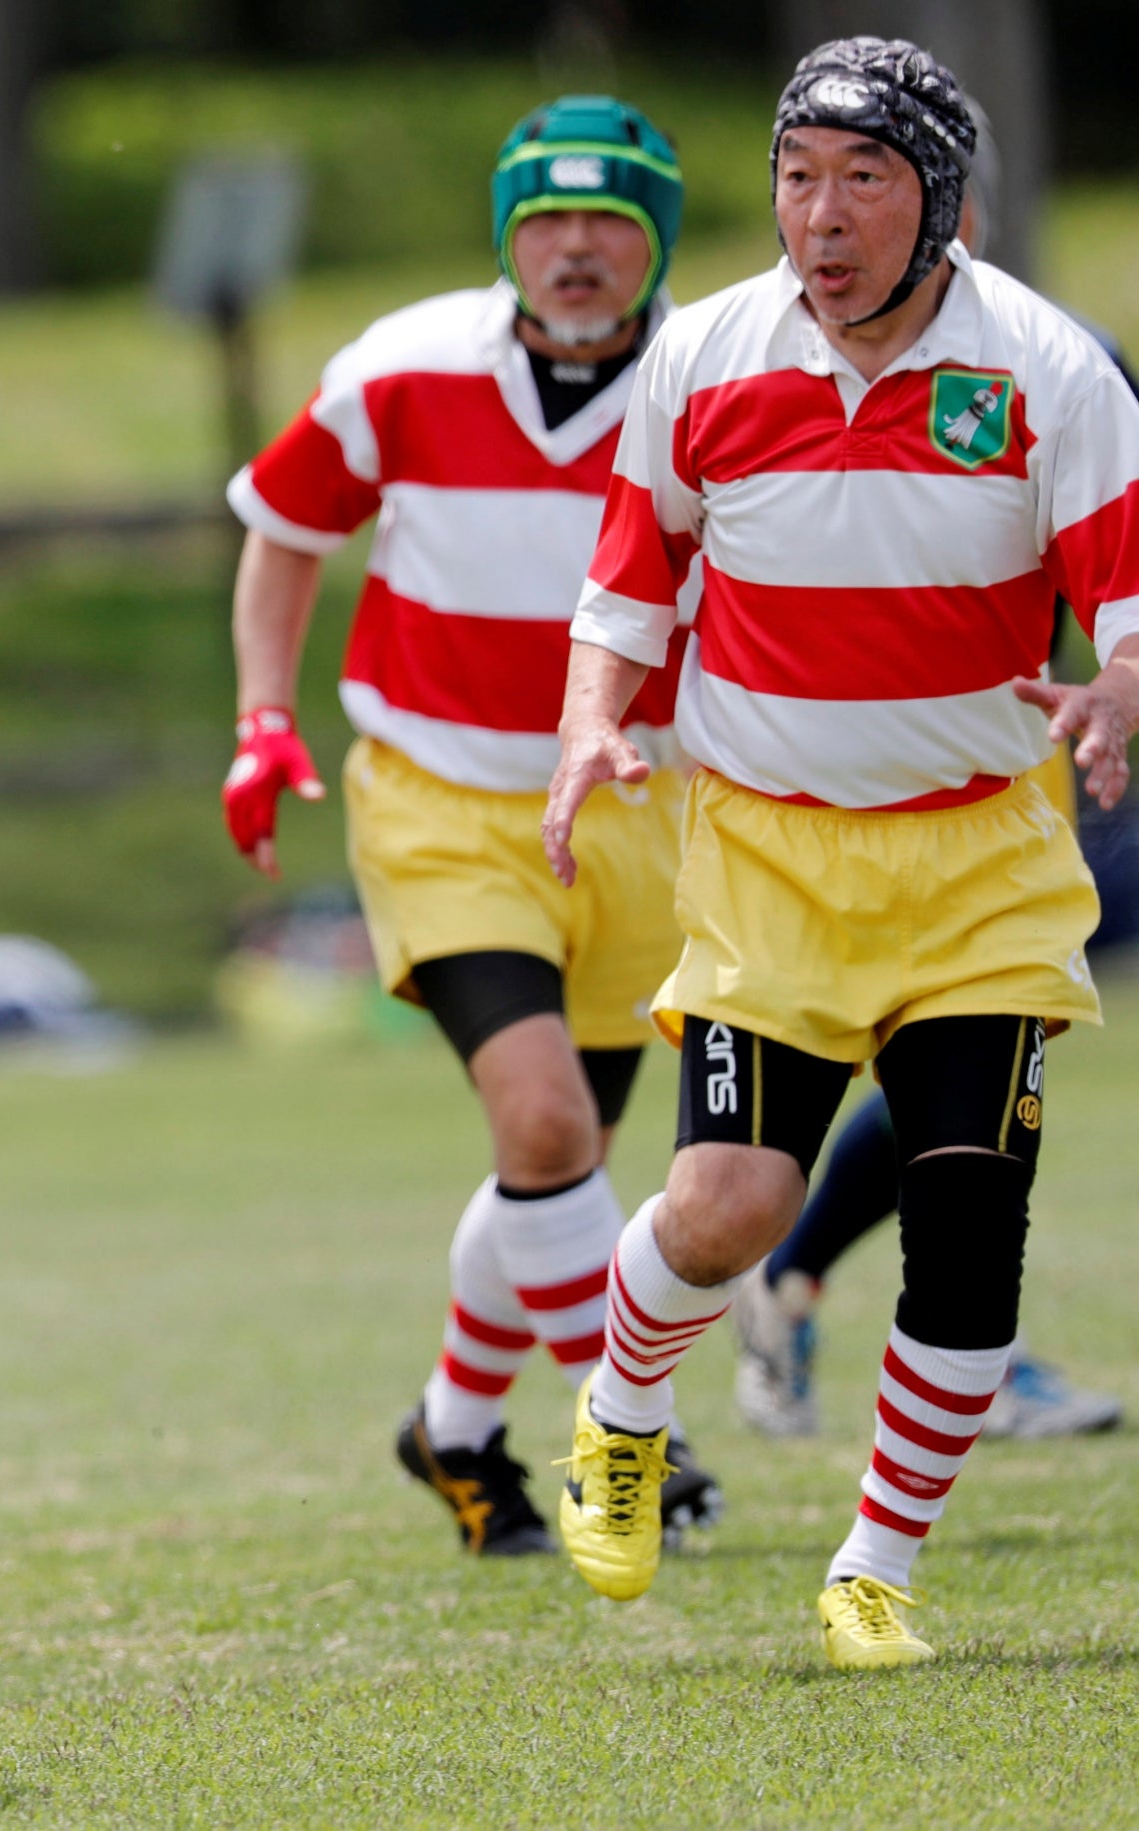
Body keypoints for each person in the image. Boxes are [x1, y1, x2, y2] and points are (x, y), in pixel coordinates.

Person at [544, 37, 1139, 1667]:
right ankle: (622, 1401)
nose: (823, 214)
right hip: (770, 855)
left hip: (981, 863)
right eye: (798, 177)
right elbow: (629, 580)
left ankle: (876, 1565)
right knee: (729, 1205)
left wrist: (1118, 692)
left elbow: (1131, 601)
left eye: (864, 178)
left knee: (965, 1221)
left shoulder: (1048, 370)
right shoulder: (706, 358)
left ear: (942, 202)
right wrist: (596, 718)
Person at [221, 97, 718, 1559]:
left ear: (658, 239)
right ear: (508, 234)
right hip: (440, 800)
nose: (575, 249)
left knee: (551, 1170)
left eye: (609, 220)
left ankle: (448, 1431)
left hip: (643, 806)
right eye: (545, 220)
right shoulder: (404, 367)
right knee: (549, 1121)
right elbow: (286, 530)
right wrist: (264, 715)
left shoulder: (723, 377)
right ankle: (625, 1441)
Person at [732, 108, 1125, 1443]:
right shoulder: (776, 363)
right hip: (885, 785)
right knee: (935, 1069)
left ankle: (892, 1312)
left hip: (1034, 764)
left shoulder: (1065, 368)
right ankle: (805, 1279)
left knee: (968, 1079)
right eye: (813, 184)